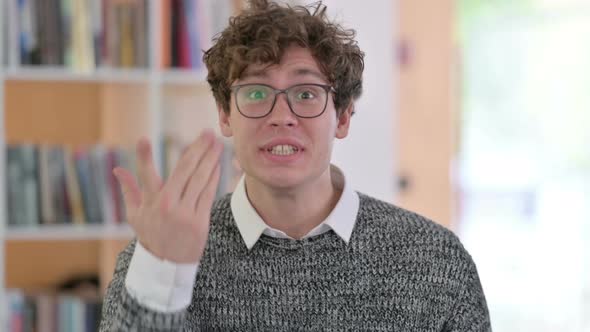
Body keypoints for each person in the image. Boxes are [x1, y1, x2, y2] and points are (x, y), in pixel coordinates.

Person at [99, 0, 491, 331]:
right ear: (224, 115)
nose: (281, 116)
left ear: (342, 118)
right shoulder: (160, 254)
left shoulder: (435, 259)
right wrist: (165, 275)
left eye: (306, 93)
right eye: (256, 91)